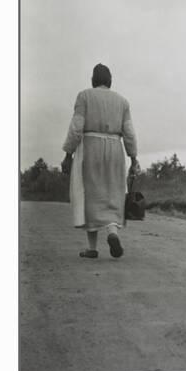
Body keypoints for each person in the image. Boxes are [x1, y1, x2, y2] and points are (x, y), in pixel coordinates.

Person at [61, 63, 140, 258]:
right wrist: (134, 157)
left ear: (93, 80)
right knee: (113, 193)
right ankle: (112, 233)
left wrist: (68, 154)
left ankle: (92, 248)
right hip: (115, 149)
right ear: (110, 81)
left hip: (90, 148)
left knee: (91, 195)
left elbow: (76, 127)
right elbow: (129, 133)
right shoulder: (122, 102)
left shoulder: (84, 96)